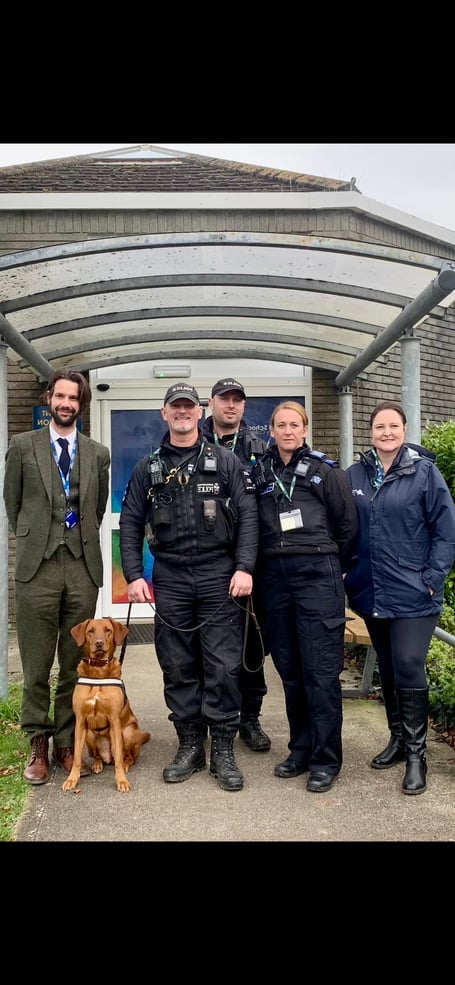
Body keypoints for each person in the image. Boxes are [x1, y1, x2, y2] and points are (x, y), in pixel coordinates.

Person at [119, 382, 258, 792]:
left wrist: (245, 567)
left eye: (188, 407)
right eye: (174, 407)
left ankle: (224, 750)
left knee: (223, 665)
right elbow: (130, 522)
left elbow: (248, 517)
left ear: (200, 412)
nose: (182, 413)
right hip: (172, 577)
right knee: (177, 665)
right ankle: (190, 745)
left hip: (219, 575)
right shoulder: (149, 467)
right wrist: (133, 575)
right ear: (164, 413)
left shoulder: (227, 462)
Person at [3, 368, 110, 785]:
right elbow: (13, 504)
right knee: (35, 663)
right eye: (60, 396)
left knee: (73, 663)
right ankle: (38, 741)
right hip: (37, 567)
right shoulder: (22, 445)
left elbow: (96, 510)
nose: (66, 403)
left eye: (73, 399)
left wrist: (73, 538)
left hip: (81, 568)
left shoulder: (97, 453)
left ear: (82, 405)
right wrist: (37, 537)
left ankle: (67, 740)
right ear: (50, 398)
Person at [344, 400, 455, 795]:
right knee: (389, 665)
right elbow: (344, 526)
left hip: (413, 590)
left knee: (408, 663)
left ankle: (416, 755)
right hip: (371, 589)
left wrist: (433, 576)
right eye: (379, 427)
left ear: (404, 430)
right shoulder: (355, 473)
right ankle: (396, 739)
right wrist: (346, 572)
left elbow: (445, 530)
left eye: (393, 426)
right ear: (370, 432)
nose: (386, 432)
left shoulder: (424, 473)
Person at [252, 401, 359, 792]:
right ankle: (300, 749)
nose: (287, 431)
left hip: (317, 576)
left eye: (294, 424)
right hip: (274, 579)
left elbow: (348, 526)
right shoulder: (260, 472)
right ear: (272, 430)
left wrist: (328, 563)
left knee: (320, 673)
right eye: (280, 425)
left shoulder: (325, 471)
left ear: (305, 428)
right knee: (290, 672)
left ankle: (325, 760)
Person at [203, 377, 271, 752]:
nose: (231, 406)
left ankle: (250, 719)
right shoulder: (189, 444)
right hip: (206, 563)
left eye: (238, 400)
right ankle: (206, 721)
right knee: (205, 648)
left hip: (249, 564)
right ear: (210, 403)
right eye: (224, 399)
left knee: (250, 647)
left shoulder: (260, 451)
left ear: (244, 407)